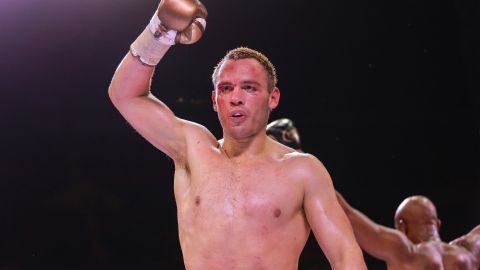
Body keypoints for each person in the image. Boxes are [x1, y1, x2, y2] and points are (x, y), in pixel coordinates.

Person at [108, 0, 367, 269]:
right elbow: (125, 95)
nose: (236, 98)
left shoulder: (303, 170)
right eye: (226, 88)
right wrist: (159, 32)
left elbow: (345, 256)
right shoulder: (193, 149)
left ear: (273, 98)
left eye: (249, 88)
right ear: (214, 99)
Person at [336, 192, 480, 269]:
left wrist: (314, 174)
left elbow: (348, 215)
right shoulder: (468, 252)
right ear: (437, 224)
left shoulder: (406, 253)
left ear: (401, 226)